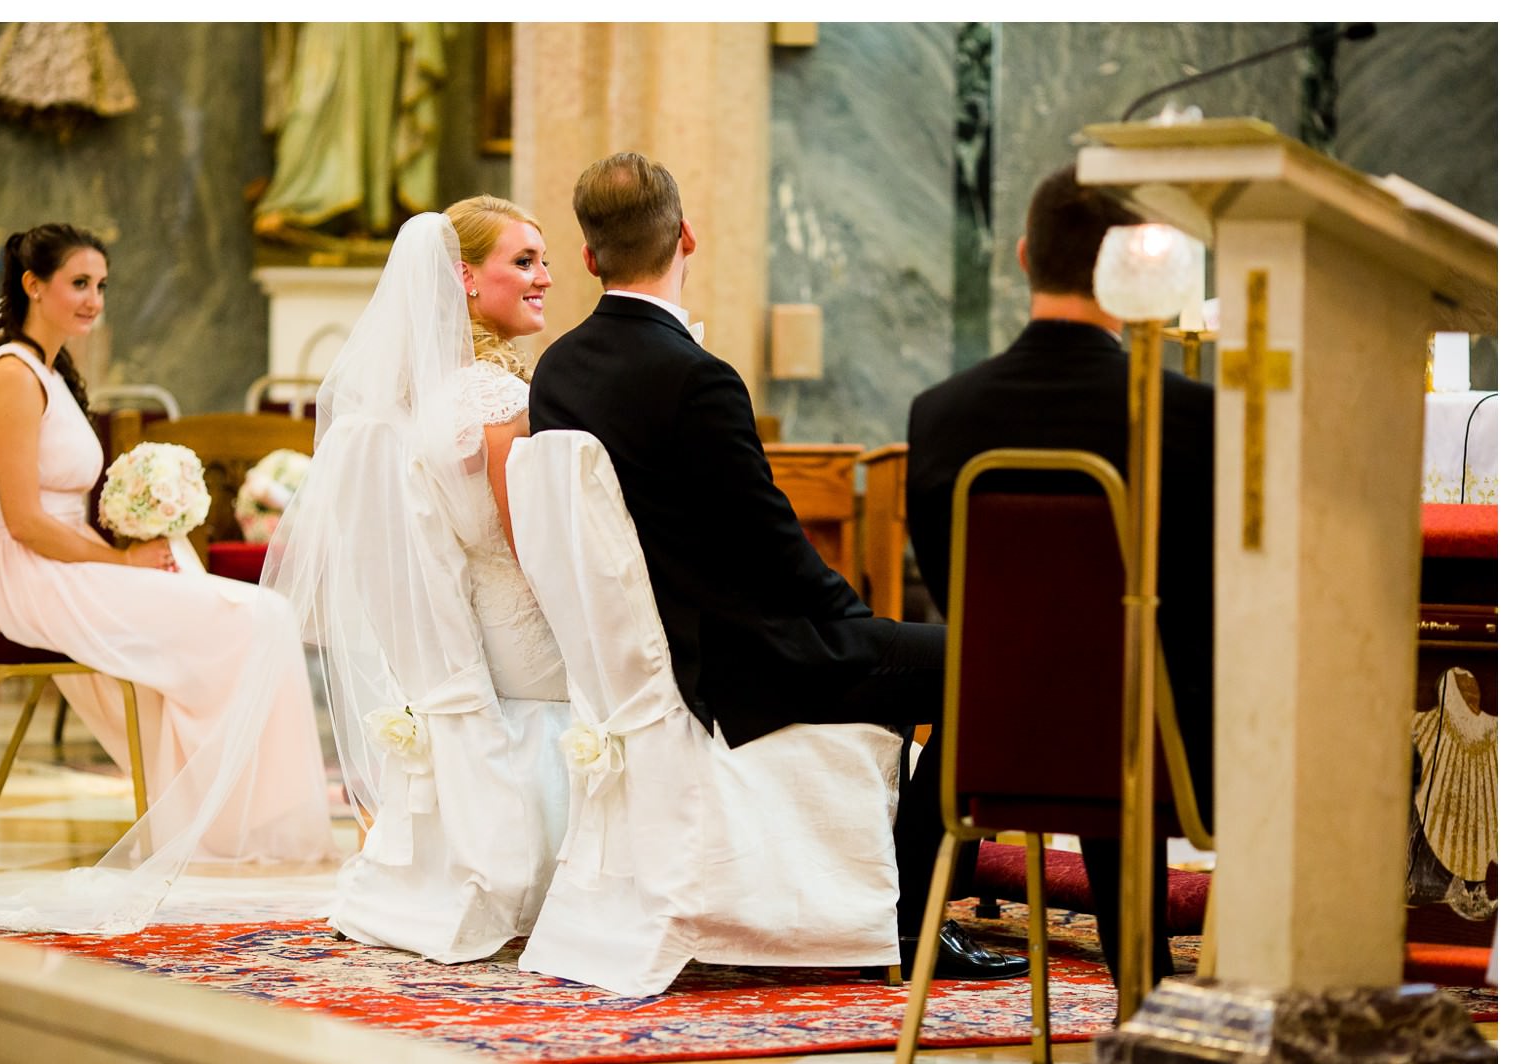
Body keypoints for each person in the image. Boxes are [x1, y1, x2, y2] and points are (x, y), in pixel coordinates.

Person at [528, 151, 1026, 981]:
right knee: (975, 667)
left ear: (588, 258)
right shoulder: (694, 378)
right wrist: (855, 617)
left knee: (907, 656)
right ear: (688, 236)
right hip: (738, 665)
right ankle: (914, 919)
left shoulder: (558, 371)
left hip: (651, 662)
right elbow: (771, 546)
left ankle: (890, 898)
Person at [0, 223, 338, 935]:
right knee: (255, 620)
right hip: (34, 576)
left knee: (261, 615)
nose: (95, 299)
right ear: (33, 285)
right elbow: (27, 522)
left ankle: (238, 821)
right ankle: (220, 827)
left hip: (71, 559)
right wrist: (123, 561)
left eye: (101, 285)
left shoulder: (50, 371)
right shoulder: (11, 376)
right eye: (79, 283)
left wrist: (139, 529)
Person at [905, 165, 1216, 984]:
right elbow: (1211, 607)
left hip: (1001, 746)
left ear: (1020, 256)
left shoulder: (939, 414)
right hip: (1170, 760)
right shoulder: (1190, 417)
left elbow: (953, 593)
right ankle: (1160, 991)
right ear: (1133, 268)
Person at [263, 199, 571, 962]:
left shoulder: (413, 402)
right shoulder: (496, 400)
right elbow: (540, 546)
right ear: (464, 278)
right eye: (524, 261)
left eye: (543, 259)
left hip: (467, 643)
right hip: (529, 639)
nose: (546, 278)